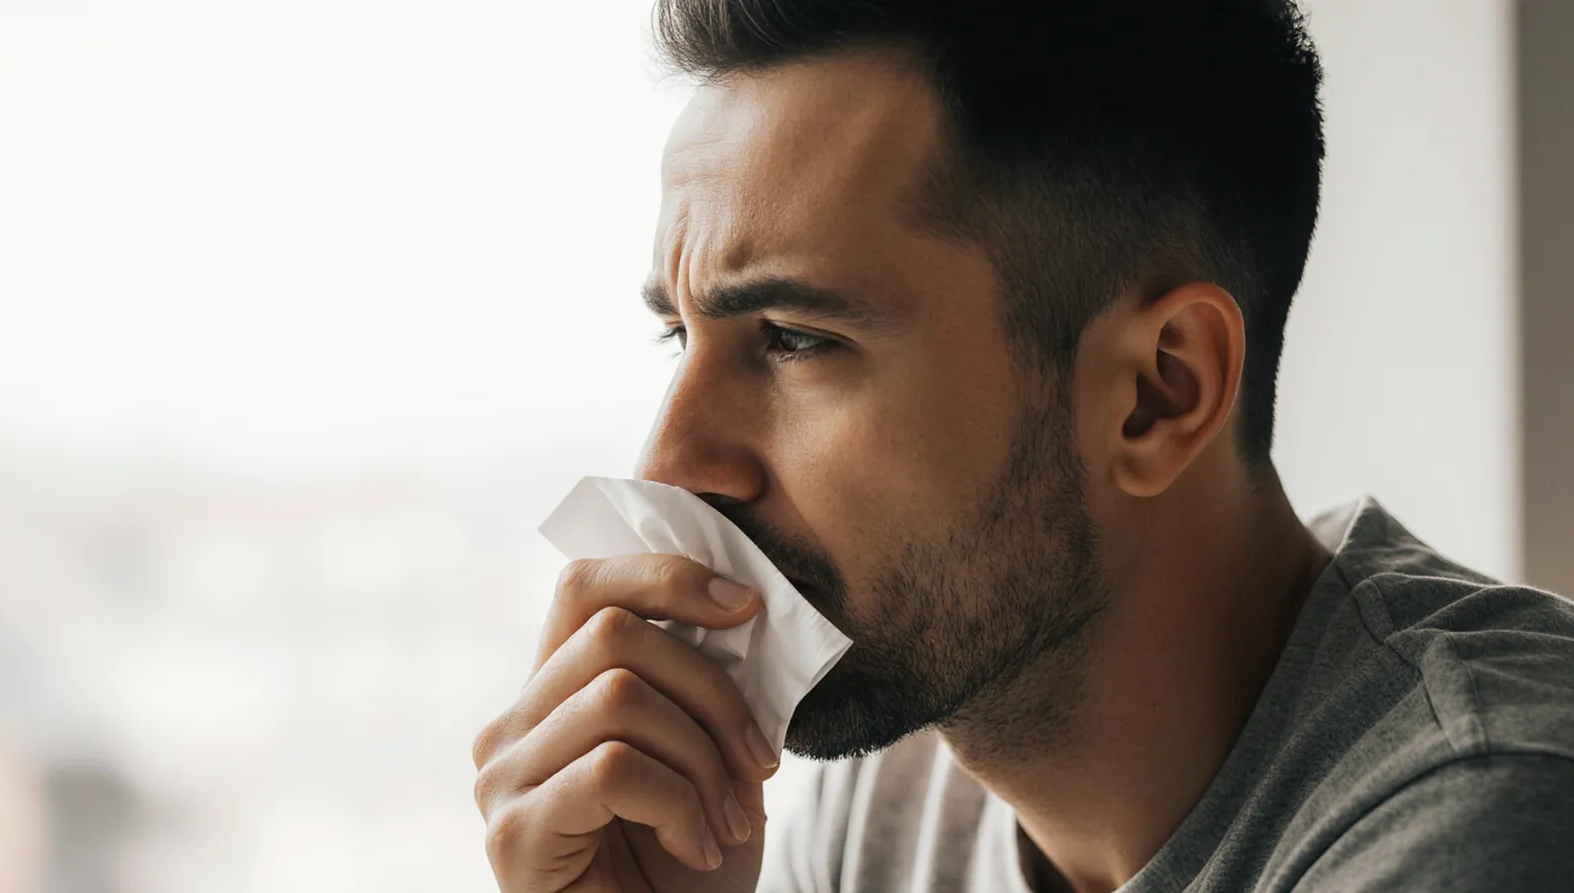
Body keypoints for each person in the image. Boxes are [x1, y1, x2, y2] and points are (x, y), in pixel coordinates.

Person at [471, 1, 1574, 890]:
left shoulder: (1487, 822)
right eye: (681, 333)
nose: (668, 463)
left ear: (1157, 392)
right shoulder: (903, 787)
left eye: (797, 340)